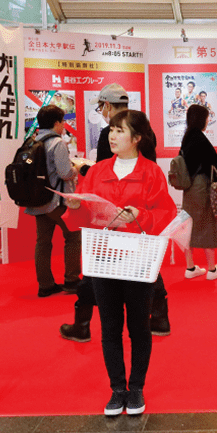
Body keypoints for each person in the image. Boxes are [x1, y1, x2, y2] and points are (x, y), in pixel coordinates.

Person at [68, 110, 177, 416]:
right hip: (103, 258)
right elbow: (82, 217)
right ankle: (117, 389)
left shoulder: (152, 172)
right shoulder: (97, 170)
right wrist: (74, 204)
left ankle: (137, 387)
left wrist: (140, 215)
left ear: (137, 138)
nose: (112, 136)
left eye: (119, 131)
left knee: (139, 326)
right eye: (111, 130)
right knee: (110, 327)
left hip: (138, 259)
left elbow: (166, 215)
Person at [61, 83, 173, 340]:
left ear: (107, 106)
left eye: (101, 107)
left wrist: (86, 174)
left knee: (96, 276)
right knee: (146, 271)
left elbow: (103, 173)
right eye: (112, 131)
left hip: (117, 225)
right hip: (134, 223)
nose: (113, 135)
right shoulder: (144, 128)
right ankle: (159, 317)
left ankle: (83, 323)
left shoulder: (112, 140)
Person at [25, 104, 82, 298]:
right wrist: (78, 167)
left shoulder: (32, 141)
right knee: (73, 237)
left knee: (43, 242)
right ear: (57, 123)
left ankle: (46, 285)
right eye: (63, 121)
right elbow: (65, 173)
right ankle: (72, 279)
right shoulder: (57, 143)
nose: (64, 124)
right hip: (57, 200)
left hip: (38, 198)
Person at [179, 104, 217, 280]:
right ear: (201, 119)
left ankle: (190, 267)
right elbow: (213, 166)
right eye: (207, 117)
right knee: (207, 225)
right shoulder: (200, 139)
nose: (208, 121)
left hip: (189, 190)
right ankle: (211, 270)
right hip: (202, 187)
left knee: (189, 227)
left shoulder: (186, 138)